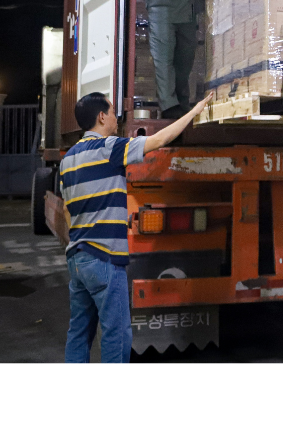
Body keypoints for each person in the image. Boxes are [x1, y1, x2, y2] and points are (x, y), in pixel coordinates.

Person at [61, 90, 213, 363]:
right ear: (101, 116)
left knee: (79, 333)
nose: (116, 118)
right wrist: (195, 111)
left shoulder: (68, 159)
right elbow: (160, 139)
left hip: (77, 258)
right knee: (116, 334)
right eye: (112, 112)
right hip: (104, 258)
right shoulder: (110, 148)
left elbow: (66, 209)